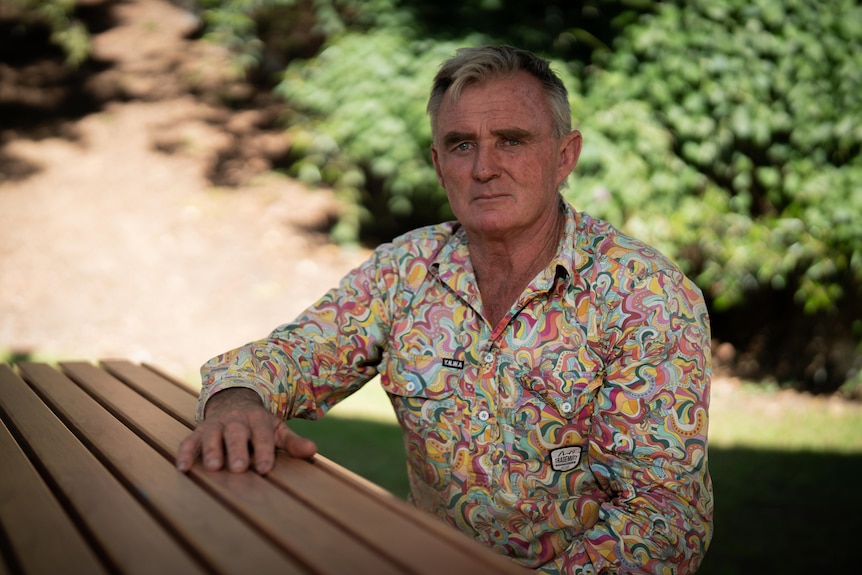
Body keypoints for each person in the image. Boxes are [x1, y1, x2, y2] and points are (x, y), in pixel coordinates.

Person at [177, 45, 713, 574]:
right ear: (438, 165)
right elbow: (295, 355)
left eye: (512, 140)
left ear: (564, 156)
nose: (484, 167)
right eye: (461, 145)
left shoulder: (646, 296)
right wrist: (237, 402)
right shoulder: (406, 270)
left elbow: (663, 521)